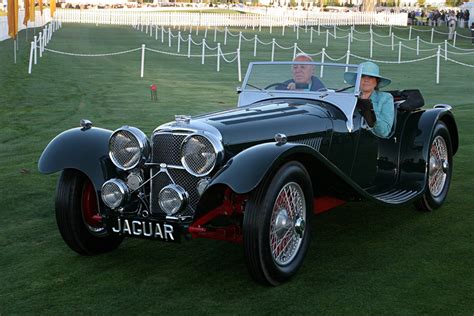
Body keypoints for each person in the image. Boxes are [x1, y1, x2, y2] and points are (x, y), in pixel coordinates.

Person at [344, 62, 394, 138]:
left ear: (376, 82)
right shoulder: (347, 95)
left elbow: (384, 132)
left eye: (371, 77)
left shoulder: (385, 98)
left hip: (371, 141)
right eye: (363, 76)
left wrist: (370, 114)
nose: (366, 80)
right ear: (357, 79)